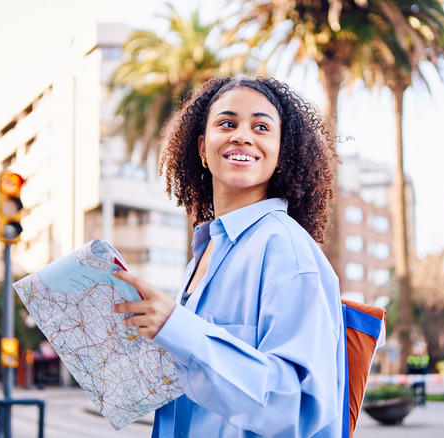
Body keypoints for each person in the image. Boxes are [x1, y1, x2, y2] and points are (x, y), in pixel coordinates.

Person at [113, 76, 345, 437]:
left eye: (261, 126)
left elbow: (296, 404)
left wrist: (178, 328)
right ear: (203, 149)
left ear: (282, 152)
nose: (242, 135)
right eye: (227, 123)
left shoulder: (285, 247)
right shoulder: (204, 254)